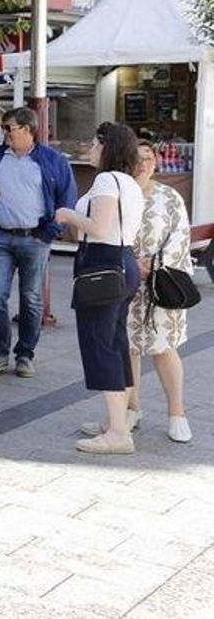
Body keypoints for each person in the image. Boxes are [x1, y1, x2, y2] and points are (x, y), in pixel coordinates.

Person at [56, 123, 146, 455]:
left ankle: (118, 433)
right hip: (122, 262)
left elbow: (100, 226)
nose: (90, 150)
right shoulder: (131, 184)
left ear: (107, 147)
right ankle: (117, 420)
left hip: (103, 263)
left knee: (101, 344)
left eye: (94, 144)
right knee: (114, 342)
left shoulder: (107, 180)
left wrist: (67, 214)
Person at [93, 142, 192, 444]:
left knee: (164, 348)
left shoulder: (169, 196)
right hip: (125, 279)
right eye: (138, 159)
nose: (143, 164)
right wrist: (131, 263)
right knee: (128, 348)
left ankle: (177, 413)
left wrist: (155, 264)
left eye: (149, 158)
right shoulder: (121, 193)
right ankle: (130, 409)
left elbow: (180, 235)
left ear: (157, 162)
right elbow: (106, 229)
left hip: (162, 281)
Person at [0, 107, 78, 380]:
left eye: (9, 127)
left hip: (35, 239)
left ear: (27, 130)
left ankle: (25, 354)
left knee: (31, 299)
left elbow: (67, 200)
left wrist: (49, 233)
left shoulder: (52, 160)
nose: (5, 132)